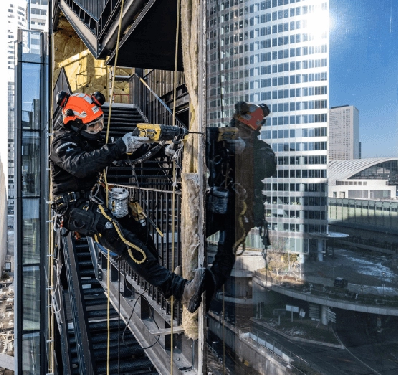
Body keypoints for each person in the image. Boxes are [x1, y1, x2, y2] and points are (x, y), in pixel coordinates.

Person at [50, 91, 207, 312]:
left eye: (100, 123)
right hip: (76, 209)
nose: (99, 129)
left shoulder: (86, 137)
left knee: (140, 232)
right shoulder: (61, 143)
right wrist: (119, 146)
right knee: (128, 242)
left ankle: (166, 284)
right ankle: (179, 289)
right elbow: (80, 165)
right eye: (93, 126)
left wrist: (160, 147)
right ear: (75, 124)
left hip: (94, 200)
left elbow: (124, 152)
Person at [188, 102, 278, 312]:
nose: (241, 133)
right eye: (239, 127)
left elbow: (268, 166)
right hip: (220, 203)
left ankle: (203, 292)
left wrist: (244, 150)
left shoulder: (260, 149)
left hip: (242, 210)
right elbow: (205, 151)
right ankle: (192, 280)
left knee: (225, 256)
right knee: (194, 235)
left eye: (246, 130)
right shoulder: (220, 140)